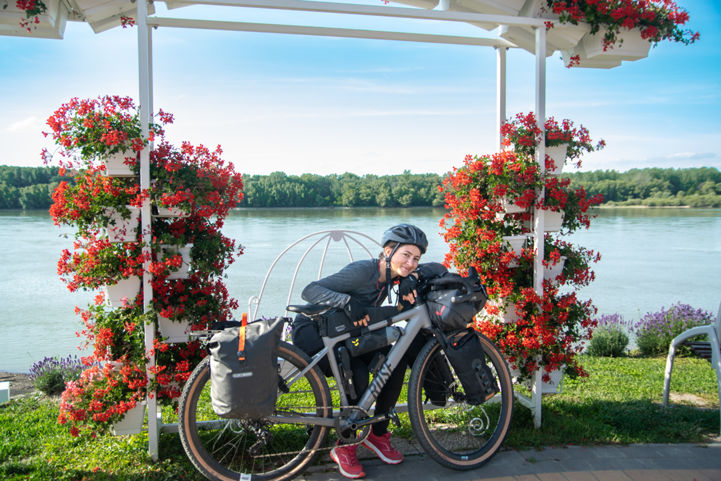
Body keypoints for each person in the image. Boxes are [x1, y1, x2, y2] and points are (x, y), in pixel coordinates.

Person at [291, 224, 428, 479]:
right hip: (313, 332)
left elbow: (430, 271)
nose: (410, 262)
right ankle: (346, 445)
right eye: (405, 255)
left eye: (415, 258)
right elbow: (309, 290)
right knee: (358, 372)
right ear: (388, 252)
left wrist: (410, 277)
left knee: (394, 363)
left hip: (345, 335)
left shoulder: (395, 275)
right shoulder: (363, 271)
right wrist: (347, 301)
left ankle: (377, 434)